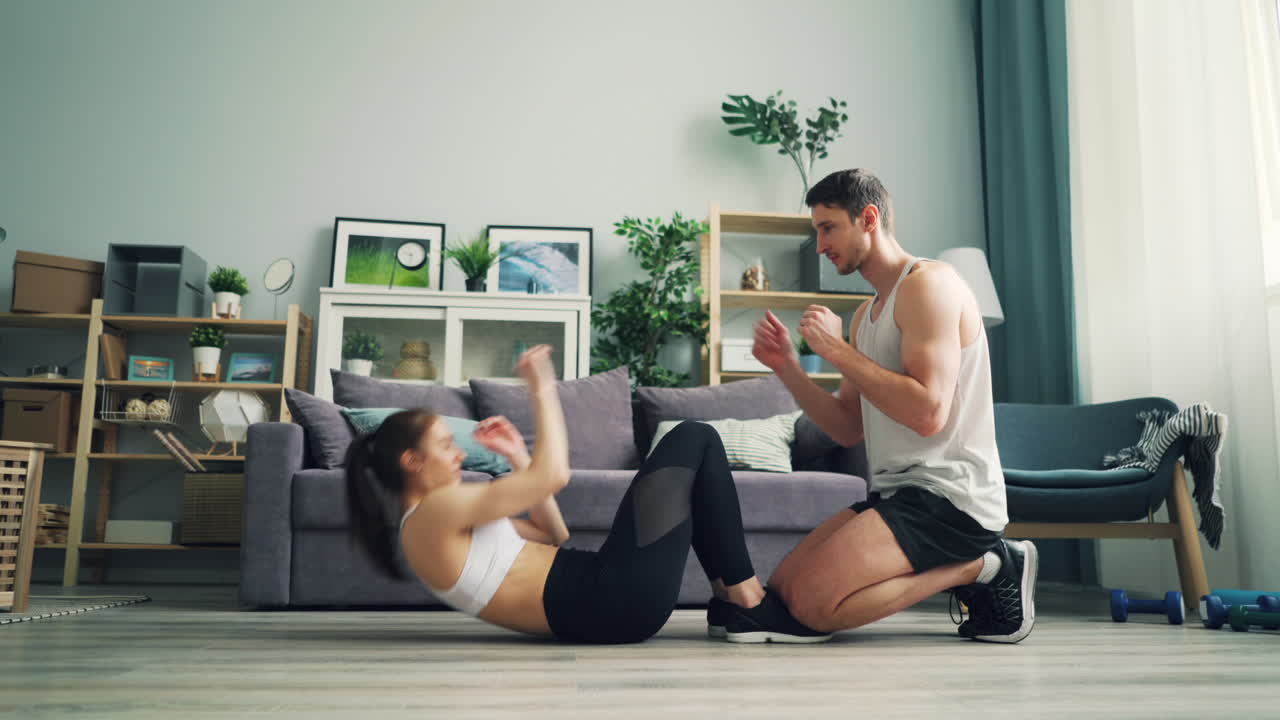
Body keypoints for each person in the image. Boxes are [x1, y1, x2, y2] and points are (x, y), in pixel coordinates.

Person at [345, 345, 828, 644]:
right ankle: (747, 599)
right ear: (412, 461)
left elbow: (552, 534)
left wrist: (517, 458)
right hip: (611, 599)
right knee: (693, 437)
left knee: (693, 454)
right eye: (445, 444)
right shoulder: (436, 512)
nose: (458, 453)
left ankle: (732, 603)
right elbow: (554, 476)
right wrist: (542, 390)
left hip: (606, 597)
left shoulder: (435, 523)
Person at [752, 169, 1037, 643]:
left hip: (952, 499)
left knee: (810, 606)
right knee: (782, 591)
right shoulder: (865, 315)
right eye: (817, 231)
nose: (820, 246)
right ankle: (978, 565)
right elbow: (847, 428)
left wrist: (835, 350)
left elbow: (928, 414)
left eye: (828, 228)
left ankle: (985, 564)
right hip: (899, 493)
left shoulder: (930, 285)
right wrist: (787, 367)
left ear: (868, 218)